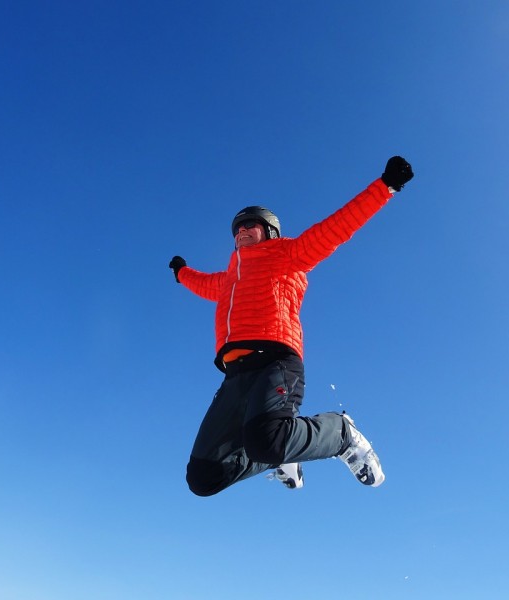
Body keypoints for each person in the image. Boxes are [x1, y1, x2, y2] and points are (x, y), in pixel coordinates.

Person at [168, 156, 414, 497]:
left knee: (268, 439)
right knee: (203, 477)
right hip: (235, 375)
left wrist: (384, 187)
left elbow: (336, 228)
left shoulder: (288, 254)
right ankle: (282, 457)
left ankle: (341, 433)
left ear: (269, 231)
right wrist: (181, 273)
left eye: (249, 225)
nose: (241, 231)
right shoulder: (228, 281)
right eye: (237, 228)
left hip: (275, 360)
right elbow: (201, 284)